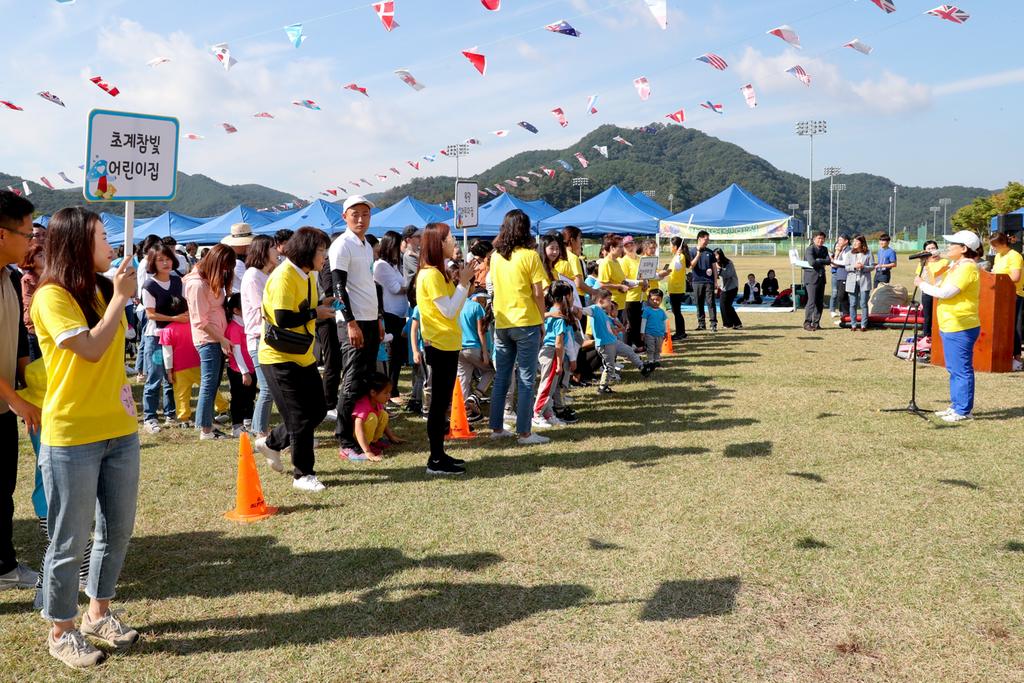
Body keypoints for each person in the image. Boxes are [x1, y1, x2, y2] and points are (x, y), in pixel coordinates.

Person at [31, 207, 141, 668]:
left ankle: (99, 612)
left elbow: (118, 344)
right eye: (101, 237)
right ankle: (61, 629)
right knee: (68, 539)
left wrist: (115, 296)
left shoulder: (99, 289)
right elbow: (92, 350)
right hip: (71, 434)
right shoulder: (50, 297)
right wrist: (120, 299)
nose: (111, 245)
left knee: (116, 531)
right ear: (78, 243)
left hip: (119, 430)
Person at [255, 227, 335, 490]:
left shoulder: (308, 275)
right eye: (321, 251)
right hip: (277, 356)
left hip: (302, 353)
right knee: (299, 417)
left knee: (318, 410)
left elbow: (309, 307)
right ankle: (303, 475)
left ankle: (271, 443)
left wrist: (326, 304)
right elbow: (282, 319)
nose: (324, 256)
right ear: (307, 251)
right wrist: (316, 312)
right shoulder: (283, 276)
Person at [0, 190, 39, 593]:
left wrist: (30, 385)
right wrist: (17, 400)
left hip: (3, 407)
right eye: (26, 233)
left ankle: (4, 565)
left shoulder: (10, 277)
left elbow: (19, 343)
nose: (31, 241)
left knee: (3, 489)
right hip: (6, 402)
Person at [487, 210, 550, 446]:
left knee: (502, 376)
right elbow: (538, 293)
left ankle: (496, 426)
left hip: (502, 323)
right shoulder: (530, 256)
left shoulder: (495, 256)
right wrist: (542, 319)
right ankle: (524, 432)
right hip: (526, 322)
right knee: (525, 378)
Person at [415, 223, 473, 474]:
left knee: (442, 404)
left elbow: (455, 308)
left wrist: (462, 282)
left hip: (447, 344)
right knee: (438, 405)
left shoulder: (439, 274)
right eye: (450, 239)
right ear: (438, 244)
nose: (454, 244)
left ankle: (439, 454)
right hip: (439, 346)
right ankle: (435, 459)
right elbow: (449, 311)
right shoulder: (430, 275)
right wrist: (463, 284)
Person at [329, 195, 384, 460]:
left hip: (370, 319)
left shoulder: (364, 244)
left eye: (365, 214)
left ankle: (364, 432)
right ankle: (344, 438)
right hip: (353, 322)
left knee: (365, 378)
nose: (361, 219)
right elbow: (338, 289)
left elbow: (368, 285)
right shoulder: (342, 245)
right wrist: (350, 321)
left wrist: (378, 319)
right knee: (350, 381)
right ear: (345, 217)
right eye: (355, 214)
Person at [915, 230, 982, 423]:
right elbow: (938, 283)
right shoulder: (956, 265)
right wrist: (929, 265)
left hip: (961, 324)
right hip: (950, 324)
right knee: (954, 368)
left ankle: (963, 410)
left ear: (963, 249)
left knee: (961, 369)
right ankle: (956, 405)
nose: (948, 247)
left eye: (953, 244)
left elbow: (946, 293)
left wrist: (921, 285)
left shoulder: (967, 267)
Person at [183, 244, 236, 440]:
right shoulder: (196, 284)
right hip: (209, 340)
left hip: (217, 338)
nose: (225, 272)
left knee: (212, 383)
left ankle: (207, 423)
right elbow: (199, 321)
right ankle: (205, 428)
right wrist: (222, 339)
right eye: (224, 267)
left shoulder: (207, 279)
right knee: (209, 382)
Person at [140, 244, 188, 433]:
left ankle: (171, 413)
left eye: (168, 258)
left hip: (176, 336)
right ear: (152, 262)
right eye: (160, 259)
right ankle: (150, 417)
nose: (166, 262)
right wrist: (174, 319)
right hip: (156, 338)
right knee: (155, 376)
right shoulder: (149, 285)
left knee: (173, 376)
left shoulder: (177, 281)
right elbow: (150, 315)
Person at [239, 235, 279, 439]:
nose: (277, 251)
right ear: (263, 251)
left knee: (269, 388)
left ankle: (258, 429)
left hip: (266, 336)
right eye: (273, 247)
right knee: (267, 388)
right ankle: (259, 431)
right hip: (258, 337)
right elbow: (263, 307)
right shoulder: (253, 275)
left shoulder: (265, 274)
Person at [373, 230, 409, 401]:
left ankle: (393, 389)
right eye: (397, 245)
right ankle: (391, 391)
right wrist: (410, 287)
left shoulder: (394, 266)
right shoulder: (381, 265)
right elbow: (396, 288)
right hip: (390, 314)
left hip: (400, 314)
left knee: (399, 354)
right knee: (393, 354)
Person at [533, 281, 573, 427]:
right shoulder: (560, 317)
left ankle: (548, 413)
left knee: (550, 385)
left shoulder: (549, 311)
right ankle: (537, 414)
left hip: (547, 351)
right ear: (565, 297)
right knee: (547, 385)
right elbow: (559, 343)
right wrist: (560, 362)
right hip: (552, 353)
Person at [989, 232, 1024, 370]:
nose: (994, 249)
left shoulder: (1015, 256)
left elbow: (1015, 277)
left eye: (995, 246)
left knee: (1014, 326)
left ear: (1003, 244)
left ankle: (1016, 357)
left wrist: (998, 277)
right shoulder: (998, 256)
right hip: (1000, 294)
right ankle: (1004, 354)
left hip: (1014, 294)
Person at [224, 294, 257, 436]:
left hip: (251, 368)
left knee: (250, 397)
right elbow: (237, 352)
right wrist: (244, 372)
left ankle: (248, 422)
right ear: (236, 310)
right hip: (239, 370)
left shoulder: (246, 324)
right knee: (238, 398)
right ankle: (237, 426)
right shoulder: (234, 328)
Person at [352, 372, 404, 461]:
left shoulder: (377, 402)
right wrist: (367, 452)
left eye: (390, 392)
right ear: (373, 392)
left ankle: (374, 442)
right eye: (386, 393)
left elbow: (384, 423)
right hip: (357, 438)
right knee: (372, 417)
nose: (389, 396)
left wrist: (391, 436)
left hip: (367, 437)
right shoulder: (364, 405)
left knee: (383, 414)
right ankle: (366, 446)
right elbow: (358, 429)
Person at [458, 290, 493, 417]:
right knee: (490, 370)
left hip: (459, 348)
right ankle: (475, 397)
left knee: (464, 379)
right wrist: (485, 352)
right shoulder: (476, 307)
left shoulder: (458, 305)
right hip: (474, 348)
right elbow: (481, 331)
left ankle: (465, 412)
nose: (483, 302)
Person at [19, 242, 44, 361]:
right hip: (34, 327)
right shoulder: (27, 279)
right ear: (31, 260)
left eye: (44, 253)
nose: (44, 256)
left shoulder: (49, 276)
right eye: (39, 255)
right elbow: (28, 303)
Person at [597, 234, 630, 321]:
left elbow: (618, 280)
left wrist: (626, 284)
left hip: (620, 303)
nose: (622, 249)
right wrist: (620, 286)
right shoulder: (606, 263)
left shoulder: (616, 261)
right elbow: (602, 284)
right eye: (620, 246)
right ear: (612, 248)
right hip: (612, 305)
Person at [845, 235, 874, 332]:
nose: (854, 243)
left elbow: (872, 266)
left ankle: (863, 325)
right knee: (852, 304)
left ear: (862, 243)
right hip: (852, 280)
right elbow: (846, 267)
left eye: (856, 242)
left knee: (863, 304)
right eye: (853, 242)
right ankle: (853, 324)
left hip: (864, 280)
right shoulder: (849, 253)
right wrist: (854, 266)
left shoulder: (868, 253)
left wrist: (863, 267)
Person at [690, 231, 718, 332]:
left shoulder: (710, 252)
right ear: (699, 239)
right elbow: (691, 265)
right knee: (699, 303)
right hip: (696, 281)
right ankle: (701, 324)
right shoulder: (692, 251)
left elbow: (714, 268)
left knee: (711, 303)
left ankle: (713, 324)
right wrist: (698, 254)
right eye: (706, 239)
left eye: (708, 239)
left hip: (708, 282)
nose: (707, 241)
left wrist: (715, 281)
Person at [803, 231, 831, 331]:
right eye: (819, 238)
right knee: (811, 301)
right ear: (814, 239)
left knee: (819, 302)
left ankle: (816, 323)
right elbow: (812, 262)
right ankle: (807, 323)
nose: (821, 240)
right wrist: (820, 261)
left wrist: (819, 261)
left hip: (821, 278)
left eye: (822, 238)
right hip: (811, 278)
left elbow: (828, 261)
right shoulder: (809, 249)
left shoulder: (824, 249)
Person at [919, 240, 946, 341]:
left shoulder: (944, 262)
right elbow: (920, 280)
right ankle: (926, 335)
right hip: (926, 292)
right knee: (927, 316)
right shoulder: (923, 264)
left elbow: (936, 275)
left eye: (933, 248)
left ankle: (938, 336)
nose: (931, 251)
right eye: (928, 249)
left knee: (938, 315)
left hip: (940, 292)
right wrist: (924, 263)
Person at [620, 237, 645, 348]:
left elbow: (645, 275)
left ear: (635, 245)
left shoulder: (640, 259)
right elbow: (624, 280)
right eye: (626, 246)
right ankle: (627, 347)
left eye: (631, 244)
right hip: (628, 297)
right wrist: (640, 283)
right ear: (623, 248)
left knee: (637, 323)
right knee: (628, 325)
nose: (630, 247)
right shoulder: (624, 261)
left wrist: (645, 283)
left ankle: (637, 344)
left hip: (640, 296)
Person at [666, 237, 689, 340]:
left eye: (671, 245)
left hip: (676, 288)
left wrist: (678, 257)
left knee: (677, 312)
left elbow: (678, 267)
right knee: (676, 311)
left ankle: (680, 332)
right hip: (674, 288)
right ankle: (681, 332)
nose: (670, 247)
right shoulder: (676, 256)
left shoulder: (680, 257)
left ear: (675, 247)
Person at [222, 222, 253, 293]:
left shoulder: (235, 259)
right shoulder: (237, 262)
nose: (248, 245)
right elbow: (249, 281)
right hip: (238, 296)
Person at [714, 249, 742, 330]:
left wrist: (719, 269)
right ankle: (728, 323)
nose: (715, 257)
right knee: (723, 306)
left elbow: (728, 274)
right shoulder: (716, 264)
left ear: (720, 255)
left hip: (732, 287)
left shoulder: (729, 263)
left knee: (727, 305)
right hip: (724, 288)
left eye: (716, 255)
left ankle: (736, 323)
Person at [641, 288, 668, 365]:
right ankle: (650, 360)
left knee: (658, 348)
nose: (655, 302)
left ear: (661, 300)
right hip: (649, 334)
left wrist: (665, 332)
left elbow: (665, 321)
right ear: (649, 299)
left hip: (660, 334)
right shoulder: (647, 310)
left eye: (658, 300)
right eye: (653, 299)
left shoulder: (662, 311)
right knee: (650, 348)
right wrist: (642, 332)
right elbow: (643, 321)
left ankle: (657, 360)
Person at [829, 234, 851, 321]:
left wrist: (834, 261)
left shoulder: (848, 250)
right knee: (841, 296)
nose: (838, 242)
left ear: (846, 241)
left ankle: (846, 316)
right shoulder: (842, 250)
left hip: (844, 276)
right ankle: (843, 316)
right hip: (839, 276)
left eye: (840, 240)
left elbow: (846, 262)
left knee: (842, 296)